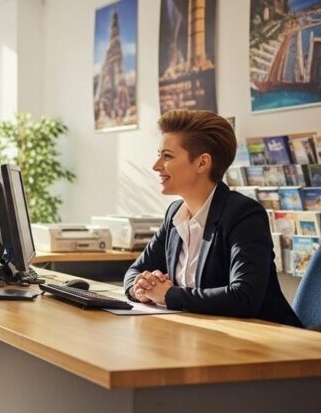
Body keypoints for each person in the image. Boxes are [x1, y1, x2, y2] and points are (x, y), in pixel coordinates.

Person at [124, 109, 301, 327]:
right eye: (159, 154)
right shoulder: (175, 214)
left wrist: (168, 295)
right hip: (200, 334)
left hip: (262, 343)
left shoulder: (244, 214)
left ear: (202, 163)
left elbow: (244, 297)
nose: (156, 165)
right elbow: (134, 271)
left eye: (167, 156)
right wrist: (139, 286)